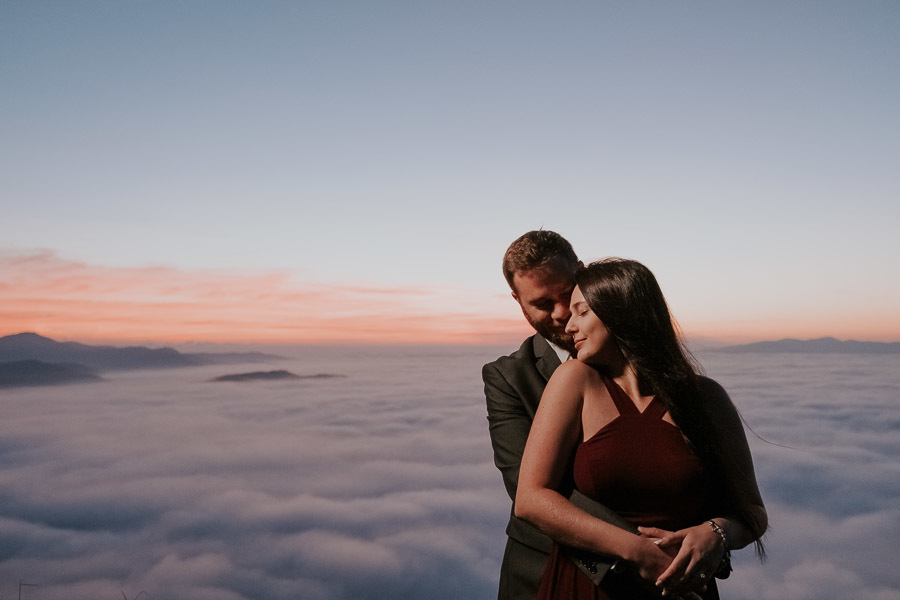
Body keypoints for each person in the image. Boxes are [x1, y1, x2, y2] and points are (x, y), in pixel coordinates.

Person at [515, 258, 768, 599]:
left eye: (582, 311)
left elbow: (751, 513)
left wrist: (716, 533)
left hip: (681, 590)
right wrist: (637, 552)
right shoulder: (575, 380)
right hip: (589, 588)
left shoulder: (707, 399)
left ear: (621, 312)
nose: (568, 325)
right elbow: (530, 500)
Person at [482, 230, 581, 600]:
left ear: (583, 274)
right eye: (542, 303)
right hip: (541, 572)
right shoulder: (508, 377)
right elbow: (529, 490)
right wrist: (638, 548)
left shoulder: (643, 360)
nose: (562, 313)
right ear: (517, 301)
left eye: (568, 294)